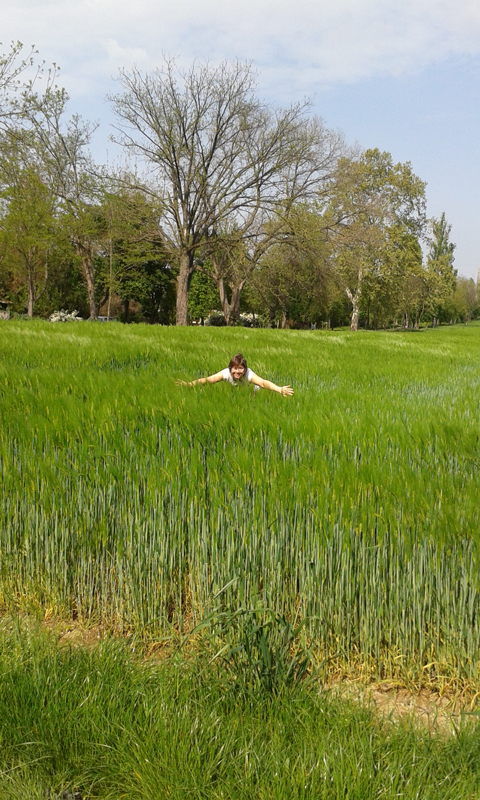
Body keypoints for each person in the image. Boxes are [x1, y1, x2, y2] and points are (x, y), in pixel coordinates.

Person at [176, 353, 294, 397]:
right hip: (235, 394)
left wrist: (279, 389)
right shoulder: (226, 373)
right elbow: (207, 380)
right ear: (230, 368)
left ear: (245, 369)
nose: (237, 372)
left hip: (252, 394)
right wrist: (188, 385)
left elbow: (263, 383)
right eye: (234, 368)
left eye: (240, 369)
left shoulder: (248, 375)